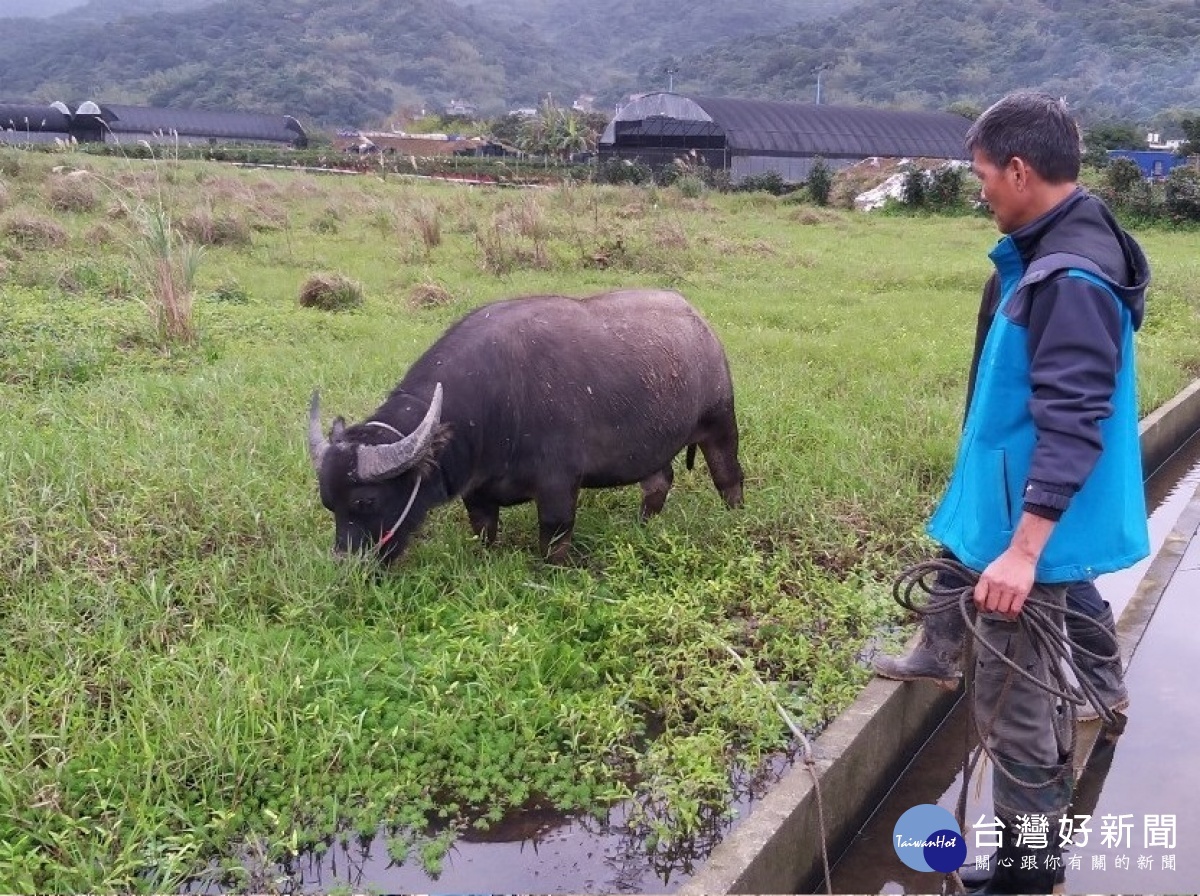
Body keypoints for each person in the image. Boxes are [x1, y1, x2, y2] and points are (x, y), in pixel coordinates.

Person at [895, 91, 1151, 894]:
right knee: (1050, 661)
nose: (980, 192)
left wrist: (1022, 552)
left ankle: (1024, 878)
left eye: (981, 175)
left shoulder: (1068, 276)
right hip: (1027, 522)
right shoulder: (1068, 243)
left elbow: (1072, 423)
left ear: (1018, 169)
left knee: (1016, 719)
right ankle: (1101, 712)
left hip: (1026, 540)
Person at [874, 274, 1130, 723]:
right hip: (1002, 445)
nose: (984, 199)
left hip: (1032, 449)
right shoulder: (1016, 266)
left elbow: (1073, 401)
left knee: (1056, 567)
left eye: (991, 196)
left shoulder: (1067, 277)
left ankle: (1104, 684)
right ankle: (940, 653)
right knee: (966, 543)